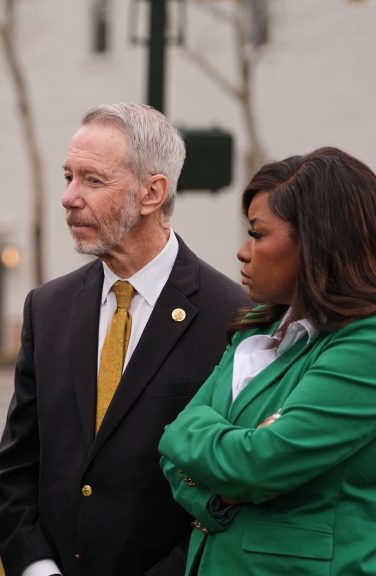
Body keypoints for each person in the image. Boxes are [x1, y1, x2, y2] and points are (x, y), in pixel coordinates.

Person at [0, 103, 249, 576]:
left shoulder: (232, 318)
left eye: (92, 180)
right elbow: (17, 469)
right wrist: (37, 568)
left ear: (152, 193)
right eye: (68, 177)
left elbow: (231, 496)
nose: (69, 198)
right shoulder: (47, 308)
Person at [158, 147, 376, 575]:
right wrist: (221, 492)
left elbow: (258, 464)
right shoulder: (255, 331)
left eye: (257, 234)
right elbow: (171, 448)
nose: (243, 252)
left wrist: (203, 437)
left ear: (318, 241)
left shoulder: (364, 344)